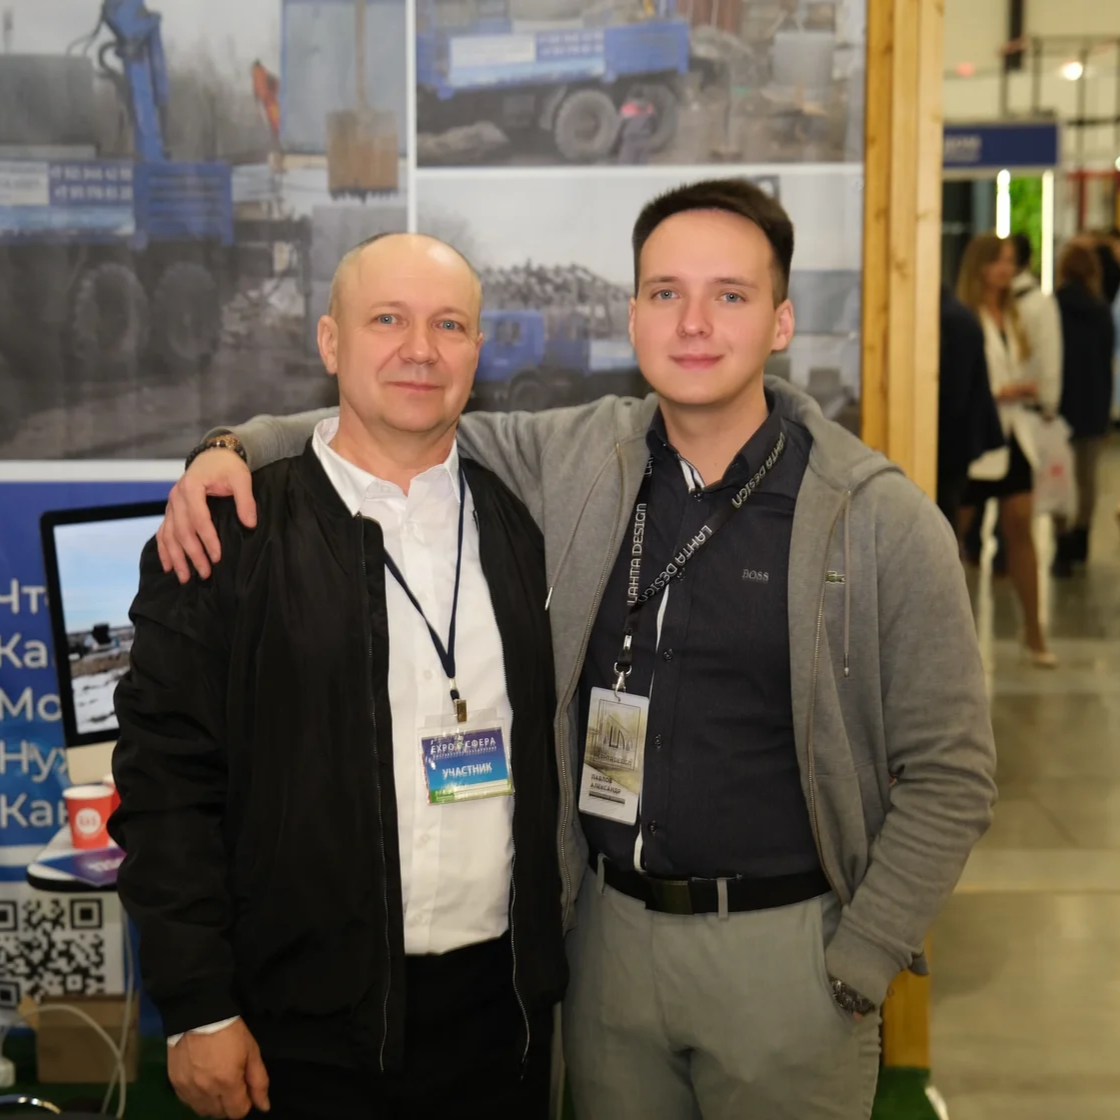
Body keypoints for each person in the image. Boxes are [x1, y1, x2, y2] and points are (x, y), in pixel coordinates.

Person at [157, 179, 997, 1120]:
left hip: (786, 958)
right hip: (607, 953)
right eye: (666, 293)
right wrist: (230, 449)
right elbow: (395, 416)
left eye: (730, 295)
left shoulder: (878, 519)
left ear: (782, 320)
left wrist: (863, 957)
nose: (693, 324)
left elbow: (954, 771)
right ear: (633, 317)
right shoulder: (578, 456)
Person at [109, 233, 567, 1120]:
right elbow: (165, 781)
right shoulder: (228, 531)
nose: (420, 349)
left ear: (478, 351)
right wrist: (199, 1005)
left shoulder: (521, 527)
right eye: (387, 320)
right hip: (296, 1030)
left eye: (449, 325)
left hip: (498, 1023)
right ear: (329, 342)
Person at [957, 233, 1056, 668]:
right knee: (954, 535)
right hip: (977, 438)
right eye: (997, 261)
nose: (1005, 270)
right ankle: (949, 638)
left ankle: (1034, 632)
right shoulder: (965, 315)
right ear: (979, 265)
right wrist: (1005, 390)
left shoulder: (1015, 314)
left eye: (1010, 261)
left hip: (1015, 433)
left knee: (1021, 524)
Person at [1051, 240, 1117, 576]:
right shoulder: (1101, 311)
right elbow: (1106, 363)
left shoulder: (1055, 307)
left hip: (1061, 404)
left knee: (1058, 475)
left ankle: (1062, 542)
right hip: (1092, 403)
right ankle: (1082, 537)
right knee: (1086, 478)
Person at [936, 282, 1004, 532]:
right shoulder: (957, 314)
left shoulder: (951, 319)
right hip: (957, 443)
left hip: (949, 445)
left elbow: (955, 395)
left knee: (946, 524)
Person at [1010, 232, 1063, 411]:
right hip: (1022, 402)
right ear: (1030, 261)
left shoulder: (1038, 302)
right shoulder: (1041, 302)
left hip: (1026, 403)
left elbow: (1049, 354)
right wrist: (1050, 403)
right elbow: (1050, 356)